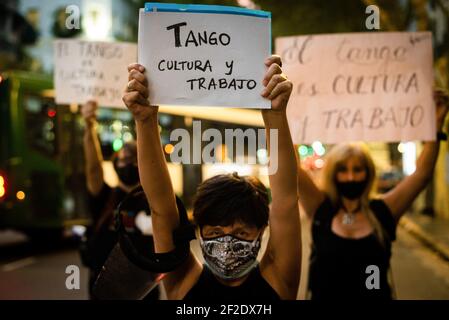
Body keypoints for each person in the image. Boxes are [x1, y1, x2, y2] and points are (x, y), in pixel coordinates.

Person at [122, 55, 301, 300]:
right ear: (199, 233)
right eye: (215, 233)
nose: (227, 243)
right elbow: (162, 208)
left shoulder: (278, 278)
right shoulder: (183, 282)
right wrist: (144, 120)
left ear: (261, 231)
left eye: (241, 234)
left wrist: (276, 116)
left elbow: (286, 201)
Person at [297, 88, 449, 300]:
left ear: (368, 174)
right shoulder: (320, 209)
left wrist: (436, 126)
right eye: (343, 170)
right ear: (333, 174)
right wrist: (284, 119)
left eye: (357, 169)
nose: (350, 177)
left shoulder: (383, 211)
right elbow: (290, 169)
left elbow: (422, 175)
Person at [80, 100, 159, 300]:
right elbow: (93, 167)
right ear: (115, 164)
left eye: (134, 159)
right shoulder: (106, 196)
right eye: (123, 159)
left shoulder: (156, 200)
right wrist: (89, 127)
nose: (128, 164)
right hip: (105, 288)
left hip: (145, 291)